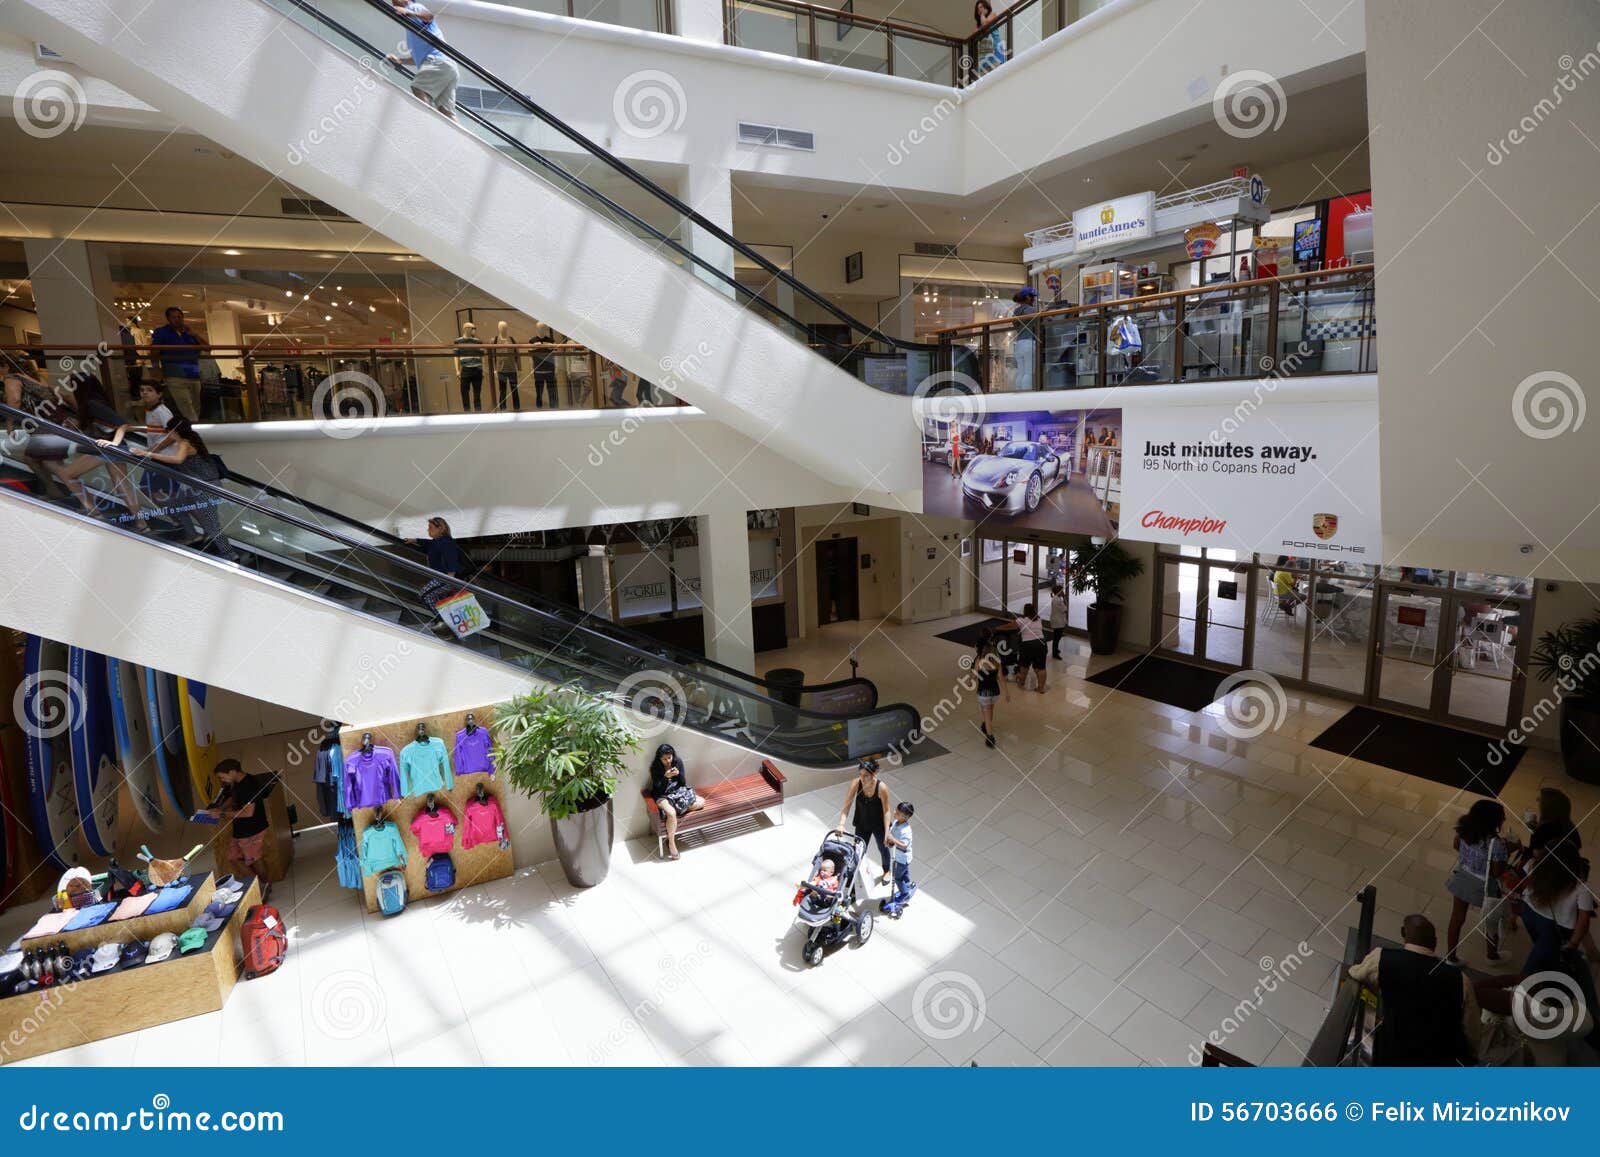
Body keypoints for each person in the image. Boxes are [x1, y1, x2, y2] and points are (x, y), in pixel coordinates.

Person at [1346, 914, 1480, 1066]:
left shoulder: (1382, 959)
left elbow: (1355, 973)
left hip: (1392, 1055)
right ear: (1435, 942)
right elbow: (1472, 1029)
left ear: (1403, 933)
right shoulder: (1460, 979)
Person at [114, 415, 240, 561]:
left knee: (212, 524)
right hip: (199, 488)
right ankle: (193, 535)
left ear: (175, 431)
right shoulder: (192, 438)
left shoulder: (185, 443)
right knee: (176, 505)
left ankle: (230, 554)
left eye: (169, 430)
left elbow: (178, 459)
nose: (168, 434)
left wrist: (147, 453)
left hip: (206, 488)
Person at [46, 373, 147, 527]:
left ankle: (93, 511)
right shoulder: (95, 402)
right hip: (114, 448)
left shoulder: (93, 404)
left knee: (67, 474)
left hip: (107, 448)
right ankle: (142, 524)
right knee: (122, 487)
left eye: (73, 385)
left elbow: (122, 424)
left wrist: (113, 442)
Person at [1519, 839, 1595, 975]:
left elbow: (1526, 883)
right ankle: (1522, 988)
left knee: (1541, 946)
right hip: (1553, 926)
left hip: (1528, 912)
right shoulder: (1581, 889)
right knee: (1534, 963)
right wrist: (1572, 945)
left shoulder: (1533, 866)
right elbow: (1583, 922)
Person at [1444, 799, 1507, 962]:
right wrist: (1509, 851)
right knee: (1490, 921)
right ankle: (1492, 956)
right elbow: (1496, 872)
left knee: (1456, 917)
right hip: (1484, 887)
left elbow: (1456, 845)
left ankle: (1451, 957)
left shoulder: (1463, 830)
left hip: (1462, 877)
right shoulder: (1497, 844)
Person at [204, 758, 275, 893]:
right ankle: (257, 885)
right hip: (241, 830)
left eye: (222, 777)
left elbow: (248, 813)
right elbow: (233, 797)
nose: (221, 780)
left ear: (231, 772)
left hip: (252, 829)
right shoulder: (237, 782)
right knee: (234, 858)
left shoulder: (248, 785)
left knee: (254, 859)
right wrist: (220, 808)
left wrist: (222, 814)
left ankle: (265, 885)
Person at [386, 1, 460, 119]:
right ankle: (459, 137)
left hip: (439, 61)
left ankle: (425, 123)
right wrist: (400, 61)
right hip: (448, 66)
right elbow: (418, 58)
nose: (393, 2)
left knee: (418, 88)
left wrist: (408, 11)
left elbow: (429, 17)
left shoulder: (414, 7)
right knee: (446, 112)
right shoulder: (412, 30)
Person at [836, 758, 892, 886]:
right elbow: (846, 806)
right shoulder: (856, 783)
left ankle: (887, 871)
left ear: (874, 774)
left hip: (878, 824)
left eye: (866, 775)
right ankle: (856, 876)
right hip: (862, 822)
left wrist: (887, 832)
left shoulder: (881, 787)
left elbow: (886, 811)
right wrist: (841, 823)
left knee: (883, 848)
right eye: (860, 775)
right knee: (859, 851)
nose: (863, 778)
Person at [150, 306, 206, 421]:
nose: (177, 319)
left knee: (196, 406)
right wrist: (156, 368)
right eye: (173, 317)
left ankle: (192, 430)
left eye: (179, 317)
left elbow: (208, 348)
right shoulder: (161, 332)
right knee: (186, 406)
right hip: (174, 374)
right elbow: (154, 352)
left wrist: (194, 335)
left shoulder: (188, 333)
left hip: (193, 375)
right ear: (168, 319)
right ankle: (195, 432)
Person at [649, 742, 703, 860]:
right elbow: (658, 788)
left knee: (701, 802)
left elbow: (683, 783)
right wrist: (665, 777)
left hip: (677, 793)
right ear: (659, 759)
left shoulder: (678, 762)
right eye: (664, 759)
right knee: (671, 813)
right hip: (662, 795)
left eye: (669, 757)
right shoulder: (655, 767)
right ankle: (671, 843)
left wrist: (678, 775)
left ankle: (676, 813)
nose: (668, 761)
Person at [880, 801, 916, 918]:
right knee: (905, 873)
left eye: (898, 812)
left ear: (905, 817)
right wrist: (889, 842)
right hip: (899, 855)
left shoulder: (906, 830)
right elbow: (892, 835)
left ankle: (904, 893)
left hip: (902, 858)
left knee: (898, 877)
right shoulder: (896, 822)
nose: (894, 812)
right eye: (896, 810)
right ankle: (908, 884)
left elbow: (904, 845)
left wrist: (893, 840)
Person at [973, 638, 1008, 748]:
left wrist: (970, 682)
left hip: (983, 693)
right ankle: (986, 726)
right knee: (990, 709)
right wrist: (1007, 693)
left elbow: (974, 675)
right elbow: (1001, 678)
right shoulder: (997, 661)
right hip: (995, 692)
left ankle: (990, 737)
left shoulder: (979, 660)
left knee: (986, 714)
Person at [1015, 601, 1047, 693]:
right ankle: (1041, 688)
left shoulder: (1021, 620)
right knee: (1041, 667)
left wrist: (998, 628)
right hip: (1041, 644)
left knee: (1025, 665)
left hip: (1028, 645)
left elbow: (1010, 626)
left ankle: (1022, 682)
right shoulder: (1039, 619)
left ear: (1025, 611)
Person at [1011, 286, 1039, 390]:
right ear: (1027, 297)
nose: (1034, 299)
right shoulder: (1031, 310)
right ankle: (1028, 393)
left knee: (1021, 372)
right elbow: (1044, 319)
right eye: (1032, 297)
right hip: (1029, 342)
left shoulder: (1016, 312)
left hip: (1019, 344)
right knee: (1029, 372)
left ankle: (1019, 393)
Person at [453, 322, 484, 411]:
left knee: (477, 394)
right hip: (465, 369)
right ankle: (467, 412)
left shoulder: (478, 341)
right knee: (464, 393)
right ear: (466, 328)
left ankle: (478, 413)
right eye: (472, 328)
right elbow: (456, 356)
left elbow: (482, 356)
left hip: (477, 369)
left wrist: (482, 368)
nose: (474, 330)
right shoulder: (458, 341)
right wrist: (457, 370)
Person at [973, 0, 1006, 76]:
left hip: (995, 48)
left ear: (986, 7)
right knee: (986, 75)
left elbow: (985, 23)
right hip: (985, 52)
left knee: (997, 72)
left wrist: (982, 15)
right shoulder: (978, 26)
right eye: (978, 9)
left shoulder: (992, 14)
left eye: (981, 7)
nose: (980, 10)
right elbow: (974, 33)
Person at [1047, 582, 1068, 659]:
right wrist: (1064, 598)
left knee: (1057, 637)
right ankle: (1055, 653)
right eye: (1062, 591)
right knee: (1057, 637)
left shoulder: (1055, 598)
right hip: (1058, 622)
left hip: (1056, 620)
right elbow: (1065, 609)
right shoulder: (1058, 600)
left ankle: (1055, 650)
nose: (1063, 592)